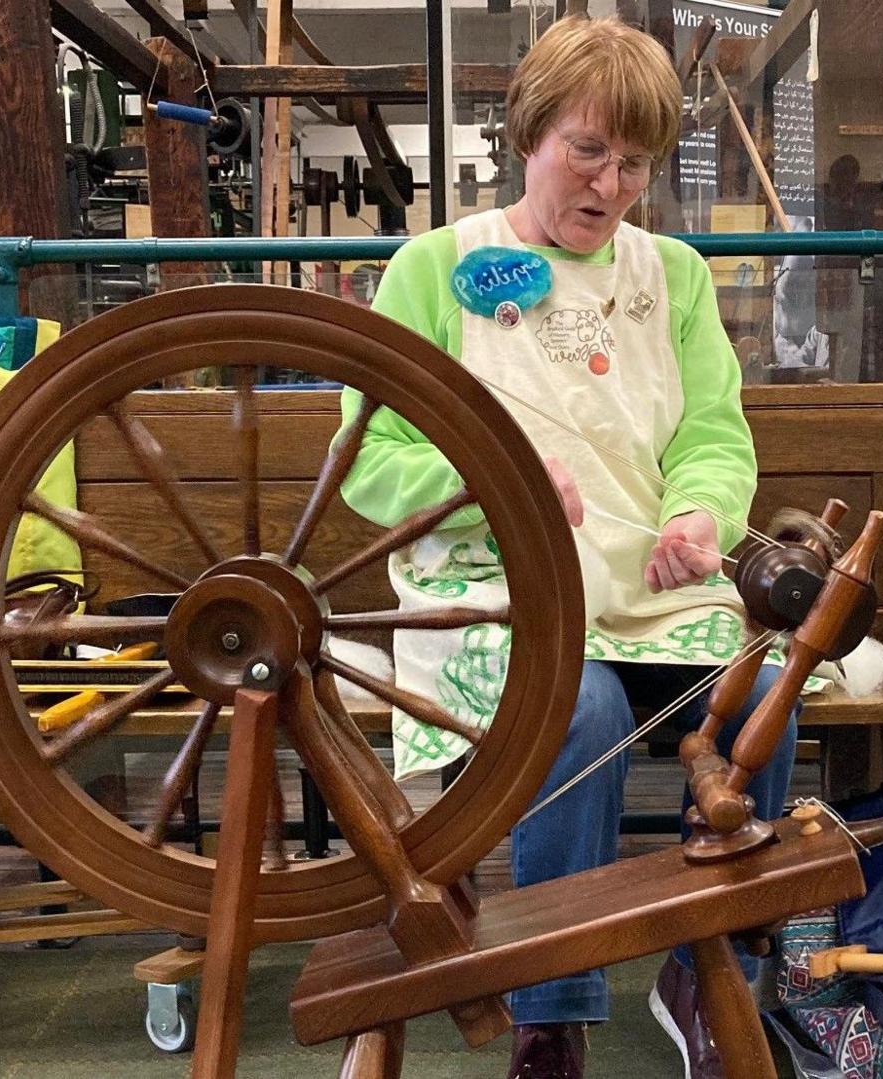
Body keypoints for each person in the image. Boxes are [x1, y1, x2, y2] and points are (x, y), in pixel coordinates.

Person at [336, 15, 799, 1079]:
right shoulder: (433, 268)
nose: (610, 184)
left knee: (762, 681)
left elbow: (713, 437)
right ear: (530, 134)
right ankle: (554, 1010)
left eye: (635, 164)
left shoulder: (673, 275)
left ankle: (712, 959)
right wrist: (483, 484)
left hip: (650, 583)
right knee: (577, 706)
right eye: (587, 151)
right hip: (494, 585)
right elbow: (369, 461)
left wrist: (701, 517)